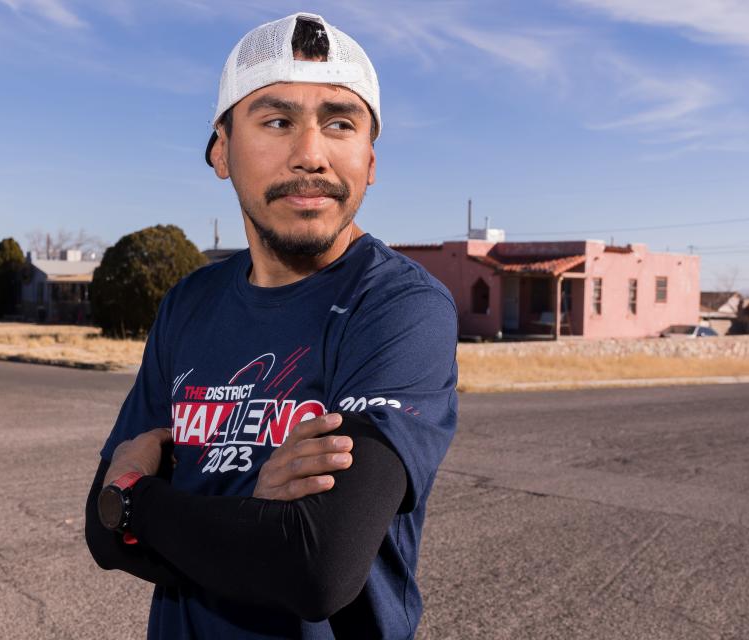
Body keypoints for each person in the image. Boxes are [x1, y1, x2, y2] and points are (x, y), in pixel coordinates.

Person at [85, 12, 458, 639]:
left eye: (340, 123)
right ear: (221, 150)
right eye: (277, 121)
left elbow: (316, 568)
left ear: (370, 159)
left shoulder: (399, 307)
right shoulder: (189, 303)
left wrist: (140, 501)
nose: (311, 154)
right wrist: (255, 515)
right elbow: (102, 537)